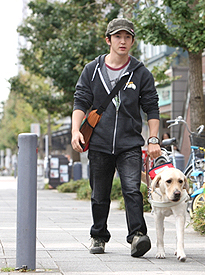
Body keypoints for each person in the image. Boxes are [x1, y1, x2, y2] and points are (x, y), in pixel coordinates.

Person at [71, 18, 161, 257]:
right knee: (99, 194)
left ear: (132, 41)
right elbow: (80, 101)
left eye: (127, 37)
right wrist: (75, 130)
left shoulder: (141, 73)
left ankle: (138, 236)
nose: (123, 41)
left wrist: (153, 139)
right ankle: (98, 236)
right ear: (108, 39)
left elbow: (152, 107)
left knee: (132, 189)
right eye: (118, 37)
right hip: (99, 143)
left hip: (130, 143)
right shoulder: (92, 70)